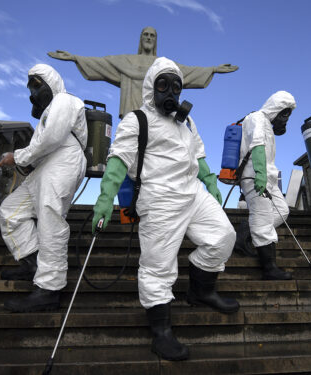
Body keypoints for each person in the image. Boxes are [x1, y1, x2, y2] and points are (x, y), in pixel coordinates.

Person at [91, 57, 238, 361]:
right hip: (159, 198)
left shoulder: (186, 122)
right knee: (158, 266)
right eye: (163, 85)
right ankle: (161, 332)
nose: (170, 91)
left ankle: (201, 291)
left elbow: (198, 156)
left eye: (176, 85)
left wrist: (210, 182)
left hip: (192, 193)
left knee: (223, 236)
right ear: (151, 88)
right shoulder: (137, 120)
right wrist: (105, 199)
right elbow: (118, 160)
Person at [0, 63, 88, 312]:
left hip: (64, 162)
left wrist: (17, 156)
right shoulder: (48, 112)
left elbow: (52, 138)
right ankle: (33, 265)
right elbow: (42, 145)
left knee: (50, 218)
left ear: (51, 82)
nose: (34, 91)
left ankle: (49, 288)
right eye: (31, 86)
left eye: (37, 84)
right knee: (10, 211)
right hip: (44, 167)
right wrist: (26, 162)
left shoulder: (65, 100)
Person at [49, 26, 238, 119]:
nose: (148, 38)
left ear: (156, 40)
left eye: (152, 35)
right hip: (131, 116)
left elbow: (186, 72)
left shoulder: (162, 65)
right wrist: (74, 57)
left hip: (156, 118)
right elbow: (101, 63)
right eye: (145, 35)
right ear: (141, 39)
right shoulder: (125, 61)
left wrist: (213, 69)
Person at [238, 91, 297, 280]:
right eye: (285, 113)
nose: (286, 118)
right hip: (255, 177)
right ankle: (269, 268)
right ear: (276, 108)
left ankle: (247, 230)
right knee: (262, 219)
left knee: (282, 210)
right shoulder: (256, 118)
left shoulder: (266, 124)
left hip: (268, 177)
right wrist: (261, 175)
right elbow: (257, 145)